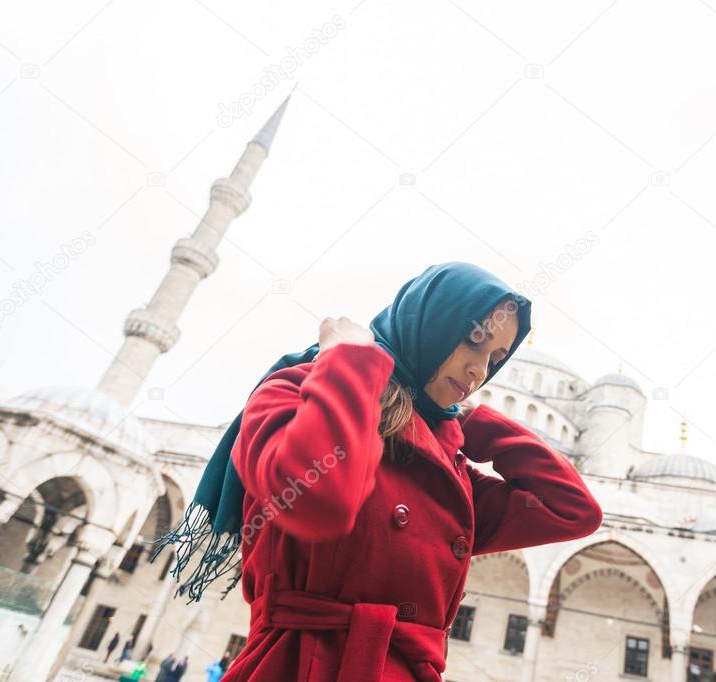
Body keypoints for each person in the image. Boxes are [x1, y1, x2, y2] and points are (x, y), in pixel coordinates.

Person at [152, 262, 603, 681]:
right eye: (474, 341)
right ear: (432, 321)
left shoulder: (451, 469)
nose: (479, 369)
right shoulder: (297, 390)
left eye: (496, 358)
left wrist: (474, 422)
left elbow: (573, 510)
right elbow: (320, 500)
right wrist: (348, 364)